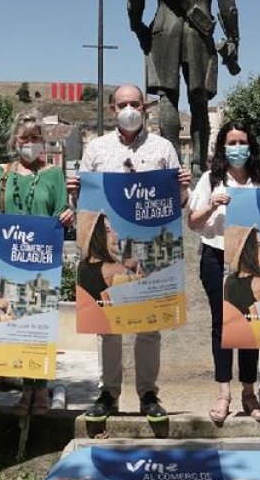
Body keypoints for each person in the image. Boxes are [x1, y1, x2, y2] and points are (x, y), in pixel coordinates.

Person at [65, 83, 191, 423]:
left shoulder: (163, 148)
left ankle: (148, 394)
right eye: (122, 105)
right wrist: (75, 192)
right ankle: (108, 393)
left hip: (149, 245)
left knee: (149, 327)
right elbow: (84, 205)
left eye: (135, 103)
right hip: (109, 247)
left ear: (145, 108)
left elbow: (178, 204)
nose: (129, 110)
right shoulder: (96, 149)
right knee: (108, 327)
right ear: (112, 110)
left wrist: (182, 188)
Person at [127, 0, 240, 177]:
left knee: (167, 96)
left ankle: (172, 166)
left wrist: (137, 25)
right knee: (199, 99)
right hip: (200, 32)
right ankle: (199, 167)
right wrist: (233, 38)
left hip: (163, 30)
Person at [0, 114, 76, 416]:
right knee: (17, 326)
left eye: (36, 137)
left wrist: (67, 215)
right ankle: (28, 390)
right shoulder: (1, 174)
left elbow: (61, 213)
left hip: (42, 262)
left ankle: (39, 390)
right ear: (15, 141)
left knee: (40, 326)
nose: (30, 143)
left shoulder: (53, 174)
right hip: (10, 261)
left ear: (43, 140)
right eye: (25, 138)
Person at [187, 122, 260, 423]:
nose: (237, 148)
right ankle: (223, 393)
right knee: (221, 325)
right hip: (216, 256)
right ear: (223, 147)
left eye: (242, 142)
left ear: (251, 146)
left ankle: (249, 392)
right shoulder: (210, 179)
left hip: (249, 259)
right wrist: (212, 206)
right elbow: (193, 222)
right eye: (231, 142)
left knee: (250, 324)